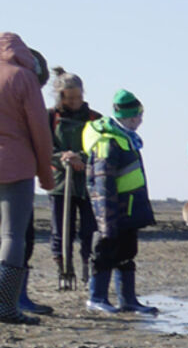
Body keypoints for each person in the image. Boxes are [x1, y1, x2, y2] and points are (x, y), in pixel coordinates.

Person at [83, 89, 157, 316]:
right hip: (112, 210)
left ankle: (128, 300)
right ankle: (97, 298)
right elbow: (103, 183)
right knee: (104, 252)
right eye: (138, 116)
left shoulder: (126, 139)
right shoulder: (108, 142)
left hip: (130, 209)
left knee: (127, 252)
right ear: (131, 116)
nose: (141, 120)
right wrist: (106, 220)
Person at [0, 33, 54, 327]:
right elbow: (40, 132)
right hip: (15, 165)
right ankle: (6, 305)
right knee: (12, 236)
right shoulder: (24, 78)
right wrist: (46, 176)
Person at [47, 71, 99, 294]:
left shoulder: (95, 119)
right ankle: (64, 270)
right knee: (61, 230)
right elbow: (43, 147)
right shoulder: (49, 118)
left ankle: (89, 267)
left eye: (78, 97)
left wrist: (81, 158)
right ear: (60, 96)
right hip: (59, 183)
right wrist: (63, 157)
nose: (75, 102)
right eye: (70, 98)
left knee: (90, 229)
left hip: (89, 183)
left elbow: (100, 149)